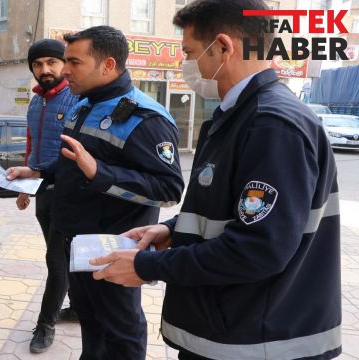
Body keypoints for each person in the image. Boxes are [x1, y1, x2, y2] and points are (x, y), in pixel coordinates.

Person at [91, 1, 342, 359]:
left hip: (259, 342)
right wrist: (173, 231)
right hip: (232, 328)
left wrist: (146, 266)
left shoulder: (271, 125)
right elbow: (232, 212)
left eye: (190, 53)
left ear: (223, 47)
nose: (185, 67)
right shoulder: (236, 117)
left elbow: (257, 248)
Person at [7, 26, 184, 359]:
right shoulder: (84, 105)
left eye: (74, 62)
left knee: (120, 330)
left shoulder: (144, 118)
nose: (65, 69)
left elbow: (169, 189)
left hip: (113, 247)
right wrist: (38, 172)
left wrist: (100, 173)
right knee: (91, 323)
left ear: (107, 65)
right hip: (77, 240)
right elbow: (71, 163)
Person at [17, 39, 80, 353]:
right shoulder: (35, 102)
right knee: (64, 260)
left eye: (51, 63)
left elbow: (74, 155)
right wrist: (25, 187)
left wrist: (39, 174)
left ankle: (45, 326)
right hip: (43, 192)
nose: (44, 70)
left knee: (56, 261)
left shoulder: (75, 100)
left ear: (64, 64)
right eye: (38, 64)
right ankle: (79, 308)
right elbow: (32, 146)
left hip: (69, 193)